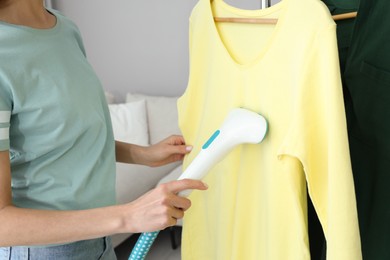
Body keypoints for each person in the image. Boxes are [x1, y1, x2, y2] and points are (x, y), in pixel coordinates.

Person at [0, 0, 208, 259]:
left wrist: (143, 155)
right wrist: (128, 216)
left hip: (99, 241)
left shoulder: (64, 29)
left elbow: (68, 139)